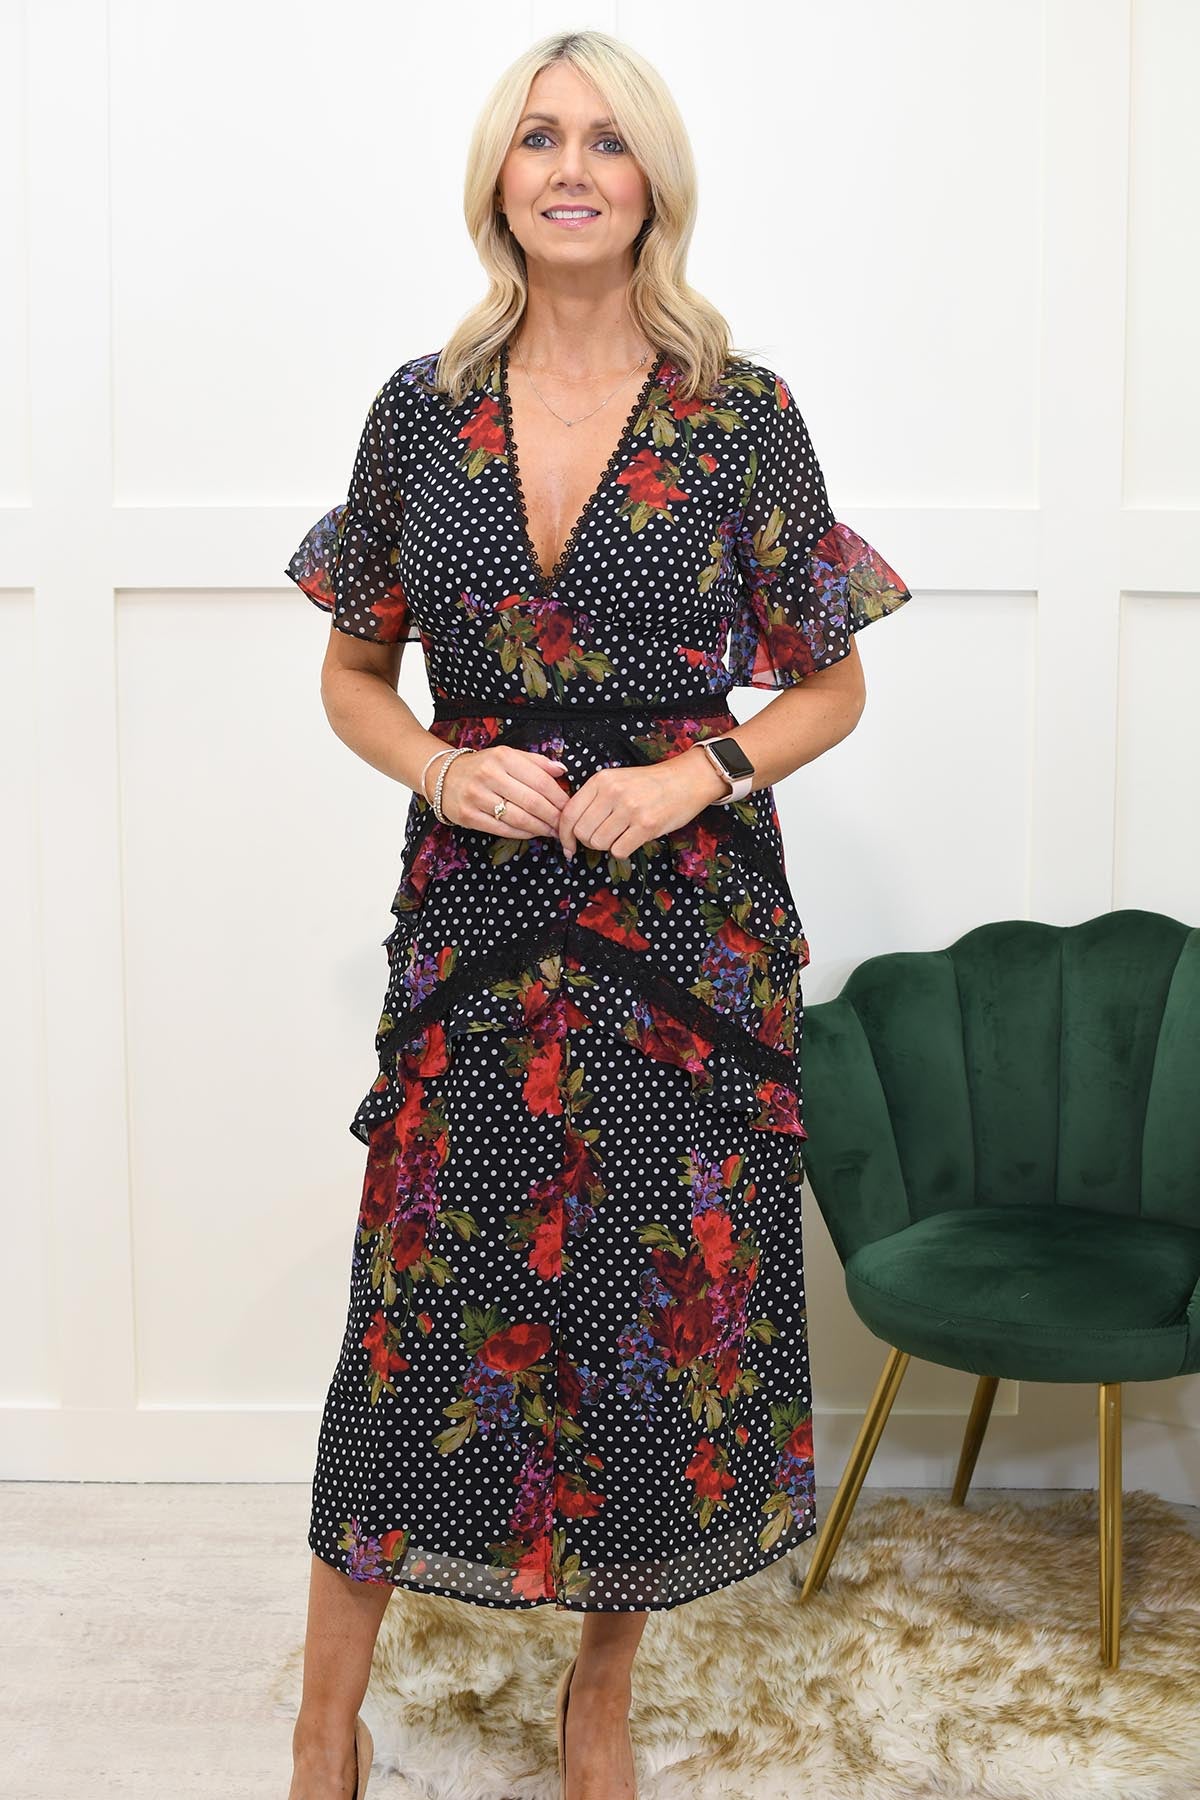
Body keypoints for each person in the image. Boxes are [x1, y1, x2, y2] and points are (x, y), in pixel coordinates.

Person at [283, 27, 910, 1800]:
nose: (573, 168)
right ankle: (324, 1723)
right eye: (541, 137)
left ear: (654, 185)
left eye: (609, 142)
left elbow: (832, 685)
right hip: (476, 927)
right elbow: (351, 673)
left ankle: (600, 1699)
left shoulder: (742, 413)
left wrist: (700, 773)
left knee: (646, 1318)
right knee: (418, 1315)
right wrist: (438, 766)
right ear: (499, 177)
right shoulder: (420, 408)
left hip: (682, 940)